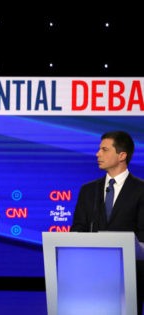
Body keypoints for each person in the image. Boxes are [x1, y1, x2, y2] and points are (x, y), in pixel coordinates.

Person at [70, 130, 144, 315]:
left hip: (129, 280)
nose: (97, 154)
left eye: (104, 149)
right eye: (98, 149)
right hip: (90, 277)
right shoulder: (88, 190)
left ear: (122, 155)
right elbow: (77, 229)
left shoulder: (141, 190)